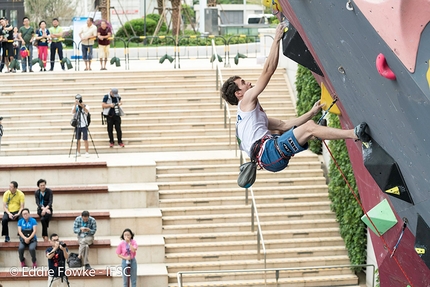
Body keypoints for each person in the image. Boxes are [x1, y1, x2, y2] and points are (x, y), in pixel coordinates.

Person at [221, 23, 370, 173]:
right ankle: (354, 134)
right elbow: (268, 71)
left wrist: (312, 112)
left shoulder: (248, 118)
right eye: (243, 83)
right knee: (309, 128)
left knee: (297, 128)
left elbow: (284, 125)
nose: (248, 83)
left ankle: (313, 135)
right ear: (238, 94)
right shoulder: (245, 101)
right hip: (268, 153)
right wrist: (276, 39)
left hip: (270, 157)